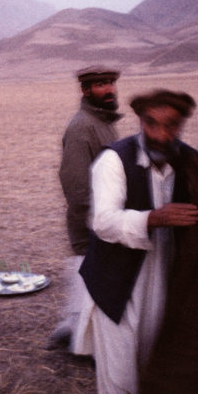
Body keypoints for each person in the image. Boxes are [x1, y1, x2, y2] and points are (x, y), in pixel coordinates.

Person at [72, 90, 198, 394]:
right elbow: (103, 222)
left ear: (181, 124)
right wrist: (154, 218)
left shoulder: (189, 160)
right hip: (117, 285)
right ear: (140, 121)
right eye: (151, 123)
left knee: (154, 366)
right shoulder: (113, 160)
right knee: (118, 376)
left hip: (167, 278)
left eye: (170, 125)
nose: (160, 134)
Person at [49, 66, 122, 350]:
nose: (110, 89)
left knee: (91, 276)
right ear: (85, 90)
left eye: (112, 83)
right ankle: (78, 337)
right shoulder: (82, 127)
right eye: (101, 84)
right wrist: (92, 221)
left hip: (106, 215)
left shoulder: (103, 121)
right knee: (86, 271)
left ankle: (73, 329)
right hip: (92, 219)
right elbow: (76, 181)